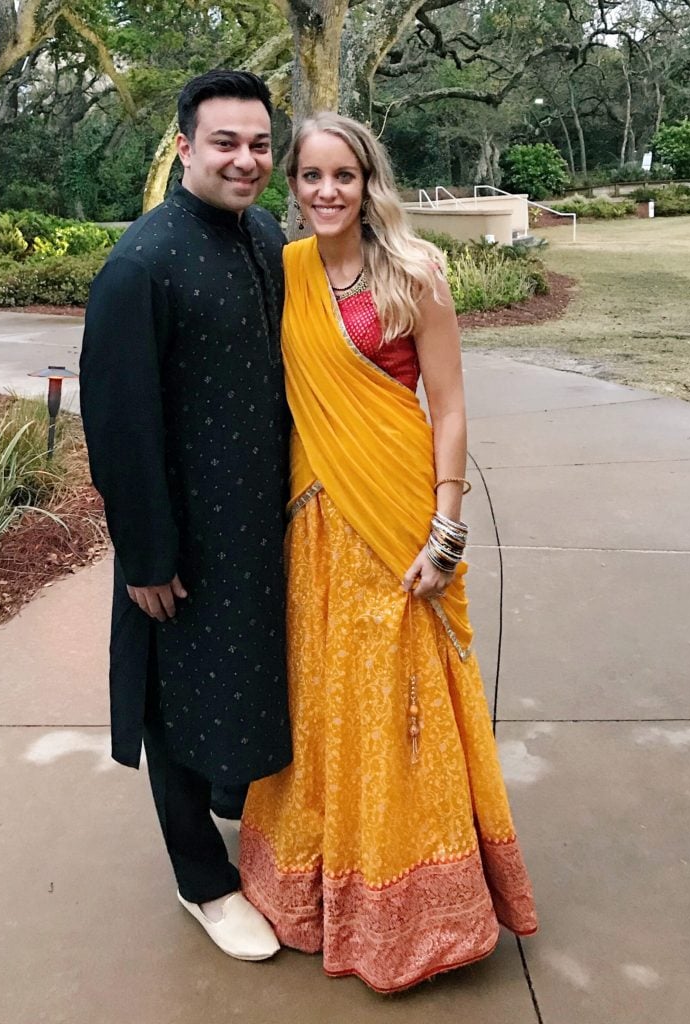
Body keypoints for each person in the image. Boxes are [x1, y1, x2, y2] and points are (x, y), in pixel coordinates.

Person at [239, 112, 538, 992]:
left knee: (401, 705)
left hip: (399, 514)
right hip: (313, 519)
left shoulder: (413, 273)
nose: (326, 192)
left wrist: (445, 531)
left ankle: (419, 906)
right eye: (309, 176)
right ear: (292, 187)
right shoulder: (284, 270)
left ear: (371, 183)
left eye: (344, 175)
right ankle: (323, 887)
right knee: (327, 701)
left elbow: (447, 407)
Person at [79, 70, 291, 962]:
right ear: (183, 147)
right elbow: (119, 422)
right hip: (186, 535)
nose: (245, 160)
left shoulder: (266, 234)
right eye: (225, 143)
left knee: (246, 676)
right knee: (174, 698)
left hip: (266, 522)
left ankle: (235, 798)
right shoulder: (143, 263)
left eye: (258, 144)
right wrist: (147, 554)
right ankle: (200, 879)